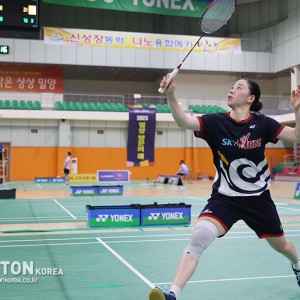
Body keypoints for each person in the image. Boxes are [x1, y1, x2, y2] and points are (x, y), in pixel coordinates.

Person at [148, 77, 300, 300]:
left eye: (238, 87)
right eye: (231, 87)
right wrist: (170, 95)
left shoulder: (264, 124)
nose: (231, 90)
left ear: (250, 98)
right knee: (200, 236)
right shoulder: (215, 122)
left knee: (283, 246)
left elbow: (297, 137)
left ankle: (297, 265)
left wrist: (298, 109)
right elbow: (183, 122)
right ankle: (173, 294)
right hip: (225, 199)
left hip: (258, 199)